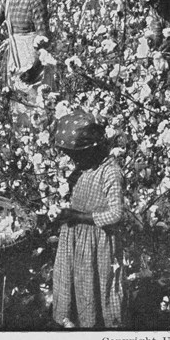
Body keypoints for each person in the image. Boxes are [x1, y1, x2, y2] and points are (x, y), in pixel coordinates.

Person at [52, 110, 126, 328]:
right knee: (75, 281)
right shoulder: (84, 169)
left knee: (98, 283)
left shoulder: (110, 172)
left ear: (93, 149)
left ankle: (99, 326)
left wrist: (79, 216)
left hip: (98, 242)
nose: (74, 160)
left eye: (77, 155)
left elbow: (116, 213)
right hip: (76, 239)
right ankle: (73, 320)